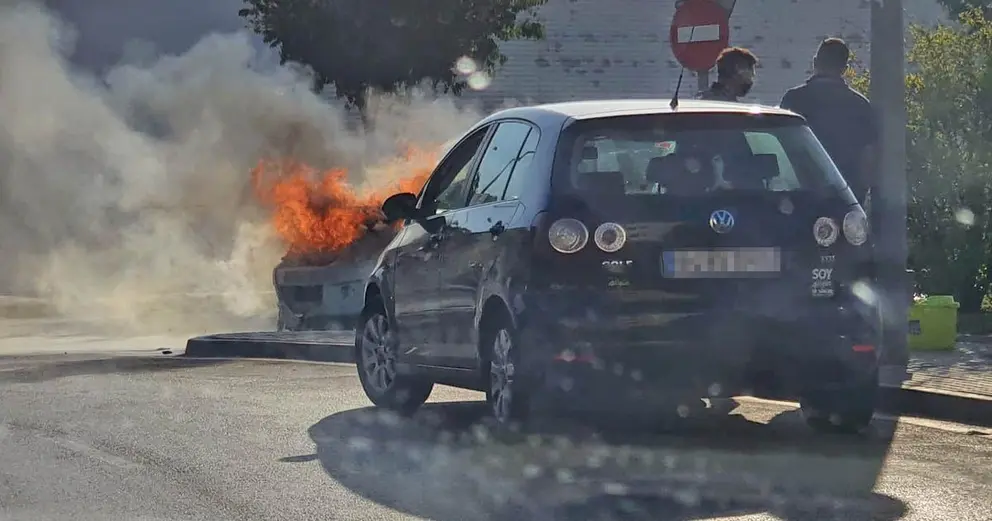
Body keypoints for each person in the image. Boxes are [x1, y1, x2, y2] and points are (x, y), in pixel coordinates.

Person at [780, 38, 878, 205]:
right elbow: (868, 157)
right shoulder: (860, 104)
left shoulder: (794, 99)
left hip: (803, 191)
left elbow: (782, 148)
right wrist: (862, 191)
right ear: (845, 69)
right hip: (848, 193)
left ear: (815, 62)